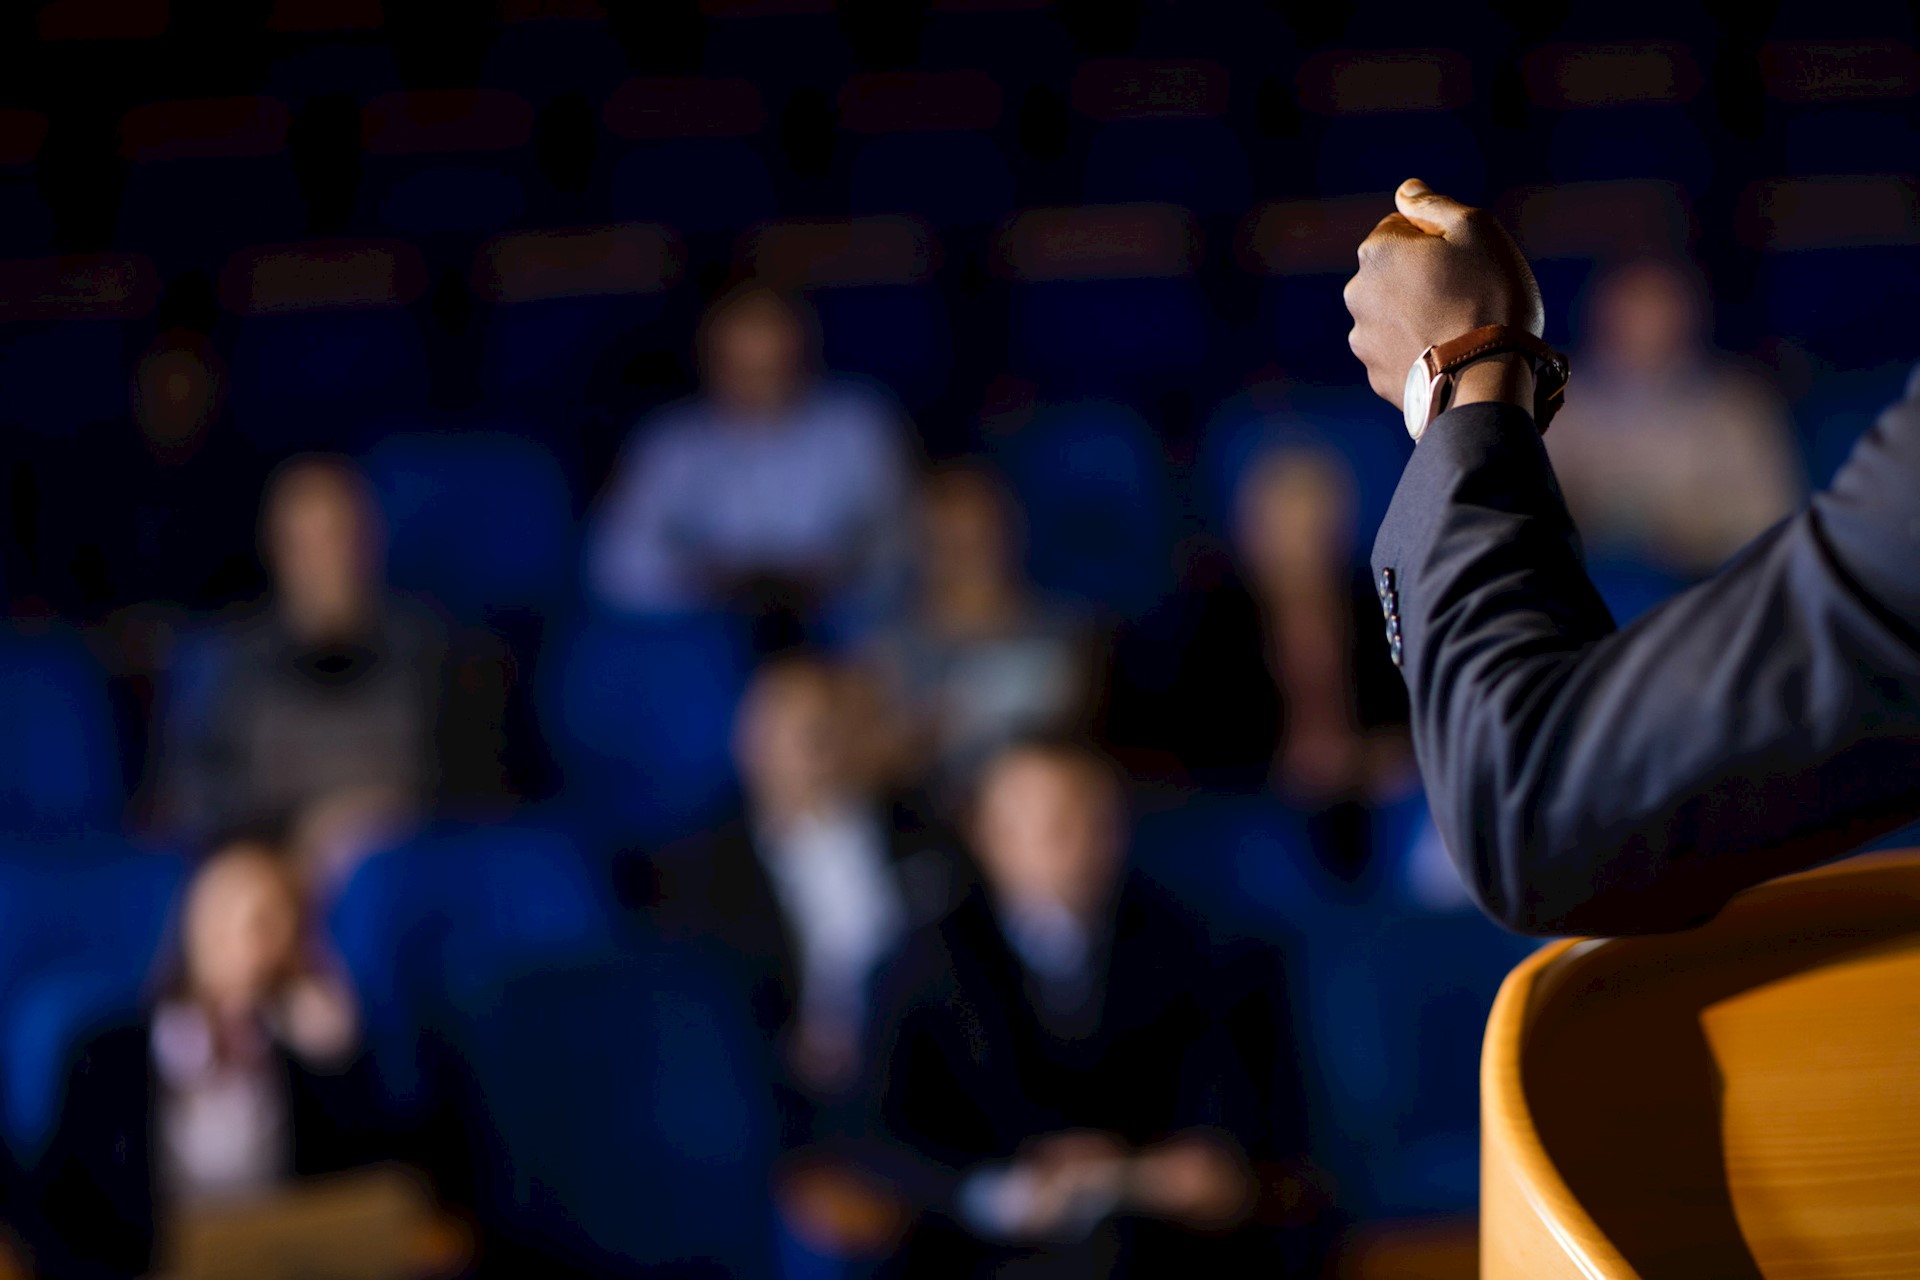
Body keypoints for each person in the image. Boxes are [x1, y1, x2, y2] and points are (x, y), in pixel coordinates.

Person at [1343, 178, 1920, 936]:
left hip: (1686, 616)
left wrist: (1465, 371)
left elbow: (1536, 802)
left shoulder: (1736, 406)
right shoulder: (1580, 398)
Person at [863, 738, 1316, 1277]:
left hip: (1158, 1233)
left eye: (1100, 821)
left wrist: (1132, 1174)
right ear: (990, 836)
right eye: (1057, 825)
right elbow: (875, 1135)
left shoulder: (1190, 945)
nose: (1083, 844)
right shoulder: (925, 961)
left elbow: (1231, 1120)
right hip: (987, 1246)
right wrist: (1008, 1193)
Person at [638, 654, 964, 1150]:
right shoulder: (700, 870)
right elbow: (703, 1004)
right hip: (790, 1098)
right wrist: (790, 1047)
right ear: (746, 743)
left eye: (822, 728)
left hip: (934, 1060)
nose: (806, 747)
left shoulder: (920, 831)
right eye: (784, 731)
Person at [28, 840, 372, 1277]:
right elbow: (57, 1219)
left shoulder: (309, 1056)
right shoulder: (104, 1057)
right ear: (192, 922)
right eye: (229, 912)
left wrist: (336, 1051)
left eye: (271, 918)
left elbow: (363, 1196)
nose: (249, 937)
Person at [155, 457, 509, 855]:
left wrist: (387, 819)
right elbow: (198, 810)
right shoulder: (232, 665)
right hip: (278, 873)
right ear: (277, 549)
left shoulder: (433, 654)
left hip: (411, 871)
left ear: (371, 542)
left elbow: (479, 800)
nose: (328, 560)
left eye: (342, 536)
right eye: (307, 542)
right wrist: (302, 832)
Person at [586, 283, 915, 638]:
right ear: (710, 362)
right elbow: (616, 565)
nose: (758, 386)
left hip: (840, 619)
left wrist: (836, 573)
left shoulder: (858, 425)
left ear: (802, 355)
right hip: (704, 627)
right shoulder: (669, 444)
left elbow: (902, 537)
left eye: (772, 367)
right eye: (739, 368)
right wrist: (715, 580)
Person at [1544, 259, 1802, 577]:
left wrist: (1695, 530)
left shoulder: (1740, 409)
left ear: (1688, 321)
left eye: (1657, 312)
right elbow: (1516, 511)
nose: (1640, 330)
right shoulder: (1555, 402)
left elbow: (1774, 520)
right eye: (1627, 313)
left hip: (1705, 591)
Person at [863, 465, 1094, 809]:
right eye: (951, 542)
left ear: (1010, 535)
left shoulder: (1067, 632)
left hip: (1042, 820)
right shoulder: (889, 651)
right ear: (923, 549)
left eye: (981, 536)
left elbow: (1088, 747)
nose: (970, 555)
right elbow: (872, 768)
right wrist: (918, 741)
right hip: (934, 823)